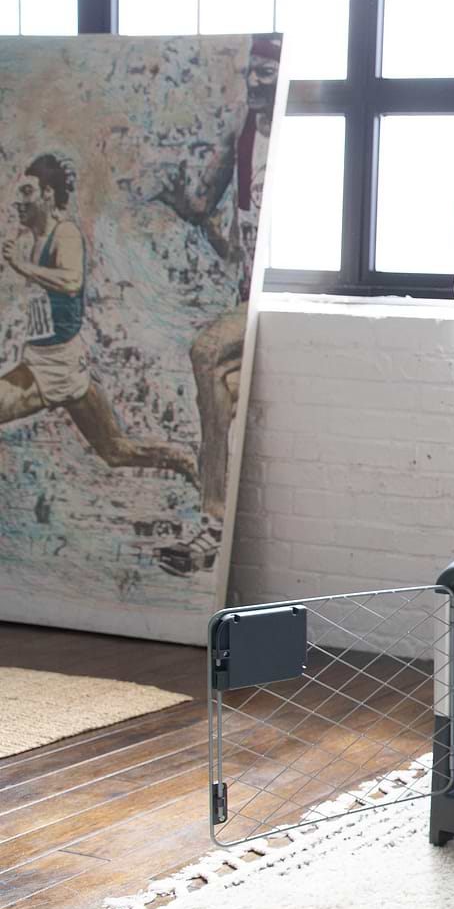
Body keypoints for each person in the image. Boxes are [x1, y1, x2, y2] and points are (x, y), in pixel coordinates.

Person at [150, 33, 281, 576]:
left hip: (275, 298)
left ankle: (212, 520)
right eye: (251, 73)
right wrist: (183, 201)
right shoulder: (245, 133)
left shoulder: (293, 144)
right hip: (245, 295)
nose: (254, 83)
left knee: (205, 353)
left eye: (265, 75)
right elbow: (210, 207)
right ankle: (213, 532)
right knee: (222, 394)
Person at [1, 153, 199, 487]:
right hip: (42, 358)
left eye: (27, 192)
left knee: (115, 450)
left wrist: (22, 267)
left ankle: (184, 459)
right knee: (115, 451)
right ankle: (180, 458)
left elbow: (71, 281)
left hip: (58, 366)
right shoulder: (27, 240)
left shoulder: (63, 234)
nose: (18, 202)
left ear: (48, 194)